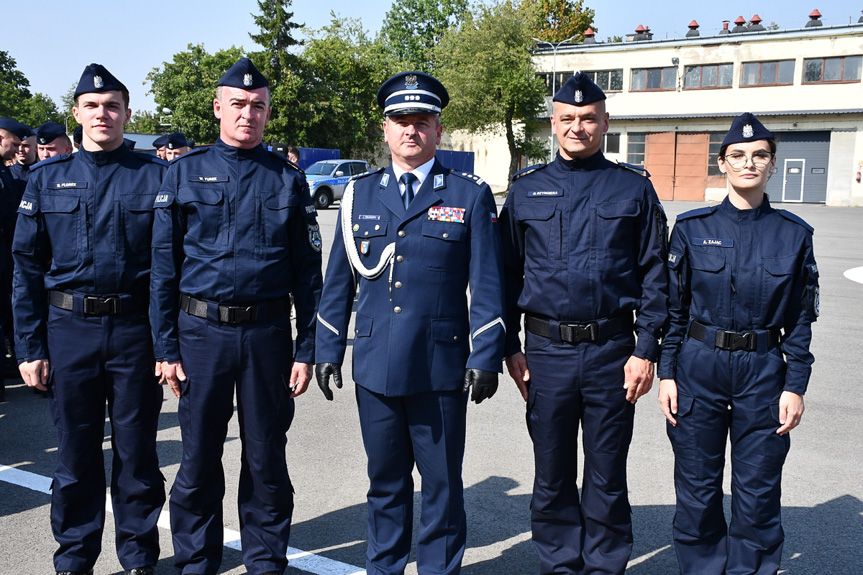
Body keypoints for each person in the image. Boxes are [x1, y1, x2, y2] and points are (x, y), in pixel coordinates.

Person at [315, 71, 506, 575]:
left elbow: (487, 284)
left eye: (422, 121)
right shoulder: (360, 194)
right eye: (401, 121)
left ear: (438, 131)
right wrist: (327, 348)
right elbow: (339, 283)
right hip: (375, 365)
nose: (411, 131)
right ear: (385, 129)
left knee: (442, 483)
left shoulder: (469, 195)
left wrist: (485, 354)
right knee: (385, 481)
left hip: (439, 367)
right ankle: (385, 567)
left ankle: (440, 568)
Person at [151, 57, 322, 575]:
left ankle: (265, 560)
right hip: (200, 334)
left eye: (259, 107)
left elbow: (307, 277)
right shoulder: (182, 173)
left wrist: (306, 350)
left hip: (268, 336)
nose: (248, 114)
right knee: (200, 458)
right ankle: (195, 561)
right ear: (218, 108)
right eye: (239, 105)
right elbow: (162, 270)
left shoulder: (288, 181)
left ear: (268, 114)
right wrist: (165, 349)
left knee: (267, 458)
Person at [498, 71, 669, 575]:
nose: (578, 127)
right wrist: (510, 346)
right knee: (551, 472)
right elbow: (504, 277)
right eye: (568, 119)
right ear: (553, 123)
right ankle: (560, 565)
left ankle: (604, 565)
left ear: (605, 123)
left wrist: (647, 350)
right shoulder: (526, 191)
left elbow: (656, 274)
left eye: (588, 119)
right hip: (545, 352)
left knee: (607, 472)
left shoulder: (633, 189)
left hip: (614, 353)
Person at [12, 63, 167, 575]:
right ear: (76, 113)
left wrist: (169, 344)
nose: (104, 114)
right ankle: (74, 557)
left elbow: (174, 268)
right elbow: (26, 269)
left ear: (127, 113)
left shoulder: (155, 176)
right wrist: (30, 345)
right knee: (75, 452)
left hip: (133, 330)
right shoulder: (45, 179)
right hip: (68, 330)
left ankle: (140, 557)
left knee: (137, 451)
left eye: (113, 106)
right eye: (93, 106)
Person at [658, 113, 819, 575]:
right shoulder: (691, 228)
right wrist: (667, 373)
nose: (749, 163)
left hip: (764, 370)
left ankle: (751, 569)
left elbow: (801, 320)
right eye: (738, 156)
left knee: (759, 488)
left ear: (772, 164)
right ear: (723, 163)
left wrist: (796, 385)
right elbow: (674, 311)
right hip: (698, 368)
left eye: (759, 156)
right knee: (697, 486)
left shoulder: (794, 234)